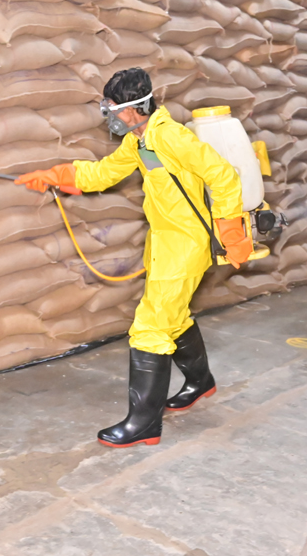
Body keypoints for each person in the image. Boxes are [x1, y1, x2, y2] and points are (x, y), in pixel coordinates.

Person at [15, 68, 252, 448]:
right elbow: (103, 173)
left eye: (111, 109)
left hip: (185, 244)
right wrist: (56, 175)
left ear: (132, 109)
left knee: (149, 328)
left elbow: (223, 175)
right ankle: (200, 382)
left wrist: (231, 231)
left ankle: (144, 423)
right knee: (173, 316)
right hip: (163, 240)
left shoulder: (171, 137)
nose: (108, 116)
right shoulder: (139, 141)